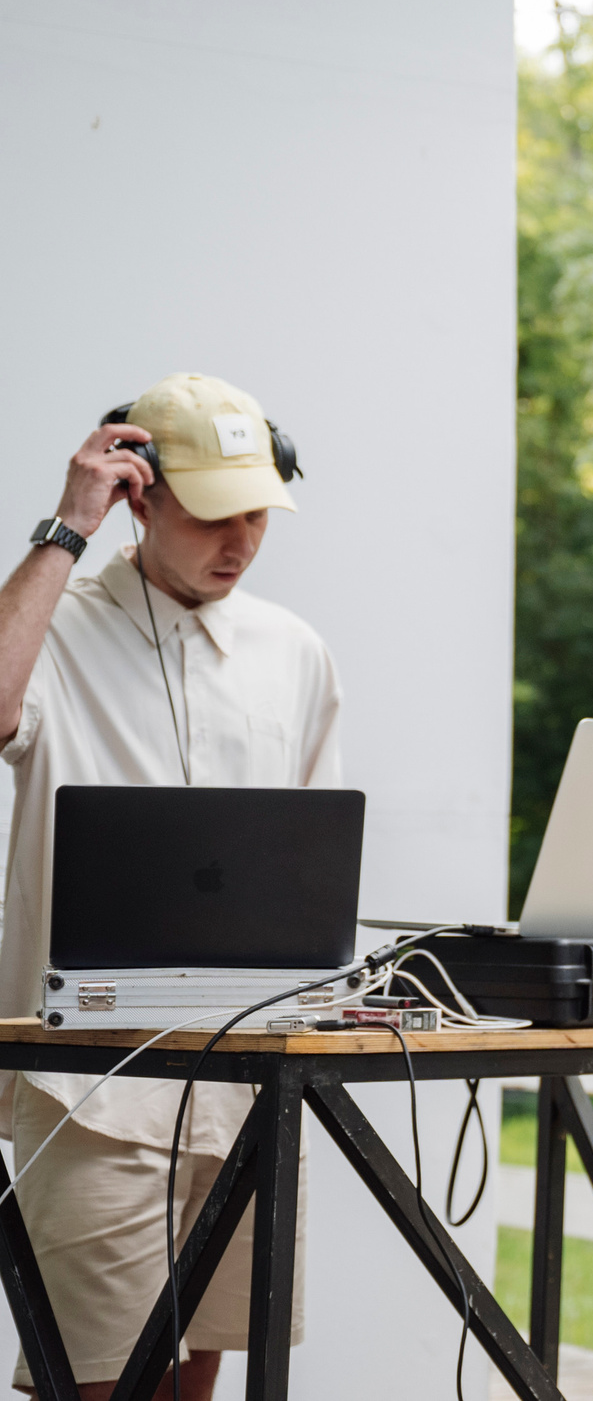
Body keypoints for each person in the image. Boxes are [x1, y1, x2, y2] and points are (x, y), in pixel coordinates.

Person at [0, 373, 332, 1400]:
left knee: (201, 1376)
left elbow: (304, 851)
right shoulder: (55, 622)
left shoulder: (295, 652)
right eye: (211, 514)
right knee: (94, 1382)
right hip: (95, 1090)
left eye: (257, 516)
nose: (238, 540)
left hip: (245, 1079)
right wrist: (65, 529)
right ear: (138, 494)